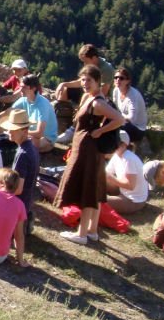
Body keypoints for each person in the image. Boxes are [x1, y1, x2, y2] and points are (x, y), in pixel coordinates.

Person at [56, 65, 125, 245]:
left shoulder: (98, 103)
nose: (85, 83)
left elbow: (120, 119)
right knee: (93, 188)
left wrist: (101, 130)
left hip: (89, 149)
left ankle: (82, 233)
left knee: (87, 188)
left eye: (89, 80)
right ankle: (92, 231)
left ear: (98, 82)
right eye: (83, 79)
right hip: (83, 146)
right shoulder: (88, 97)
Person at [0, 74, 57, 152]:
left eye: (24, 87)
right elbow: (9, 111)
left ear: (33, 88)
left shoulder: (42, 105)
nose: (21, 90)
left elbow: (39, 133)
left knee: (27, 141)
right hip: (28, 134)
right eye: (20, 86)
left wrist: (18, 132)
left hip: (45, 139)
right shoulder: (24, 99)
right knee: (5, 129)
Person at [2, 108, 39, 234]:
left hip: (18, 205)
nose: (9, 132)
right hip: (26, 203)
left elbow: (17, 189)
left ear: (24, 130)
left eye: (13, 129)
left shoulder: (22, 154)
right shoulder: (31, 148)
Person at [104, 130, 148, 216]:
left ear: (123, 145)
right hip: (123, 192)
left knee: (96, 201)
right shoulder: (117, 156)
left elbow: (130, 185)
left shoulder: (129, 159)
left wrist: (109, 178)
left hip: (133, 201)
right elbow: (106, 173)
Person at [112, 67, 148, 143]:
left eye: (121, 78)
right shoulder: (116, 91)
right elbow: (114, 108)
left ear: (127, 81)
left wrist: (117, 116)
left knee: (114, 127)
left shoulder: (133, 95)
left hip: (137, 129)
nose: (118, 80)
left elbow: (131, 119)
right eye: (116, 77)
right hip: (122, 122)